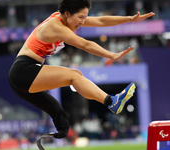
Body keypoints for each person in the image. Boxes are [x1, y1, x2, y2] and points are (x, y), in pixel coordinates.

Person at [8, 0, 155, 139]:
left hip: (25, 75)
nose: (83, 21)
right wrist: (111, 55)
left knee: (57, 109)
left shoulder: (65, 19)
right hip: (23, 71)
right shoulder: (56, 26)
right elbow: (85, 45)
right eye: (80, 17)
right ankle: (111, 101)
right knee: (74, 75)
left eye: (85, 17)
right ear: (67, 13)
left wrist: (130, 19)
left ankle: (60, 134)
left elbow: (100, 21)